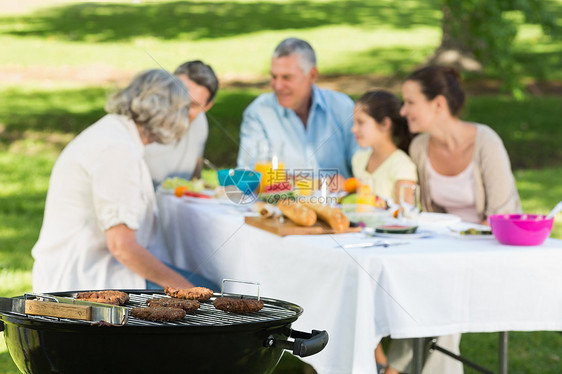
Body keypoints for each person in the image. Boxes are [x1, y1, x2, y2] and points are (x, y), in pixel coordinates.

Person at [380, 65, 522, 374]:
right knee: (424, 293)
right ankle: (393, 369)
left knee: (444, 301)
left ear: (438, 104)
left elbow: (504, 217)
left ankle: (394, 370)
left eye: (410, 102)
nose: (404, 111)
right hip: (441, 254)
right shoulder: (420, 147)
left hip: (489, 256)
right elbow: (424, 213)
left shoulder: (486, 142)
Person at [32, 69, 216, 293]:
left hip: (85, 267)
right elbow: (122, 247)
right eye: (183, 111)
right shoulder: (117, 150)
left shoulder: (114, 131)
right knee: (211, 294)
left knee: (201, 286)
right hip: (86, 279)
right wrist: (187, 289)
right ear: (168, 115)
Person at [236, 37, 358, 187]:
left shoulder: (342, 107)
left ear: (312, 75)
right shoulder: (258, 113)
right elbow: (248, 178)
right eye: (274, 77)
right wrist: (318, 184)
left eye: (286, 77)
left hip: (339, 207)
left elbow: (365, 166)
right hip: (279, 207)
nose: (278, 86)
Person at [144, 60, 218, 186]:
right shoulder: (142, 124)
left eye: (193, 105)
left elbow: (196, 178)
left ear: (206, 107)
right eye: (179, 96)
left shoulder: (200, 122)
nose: (181, 108)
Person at [351, 90, 417, 203]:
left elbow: (405, 213)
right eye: (354, 123)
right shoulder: (359, 159)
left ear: (385, 124)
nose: (354, 129)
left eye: (360, 122)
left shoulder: (402, 165)